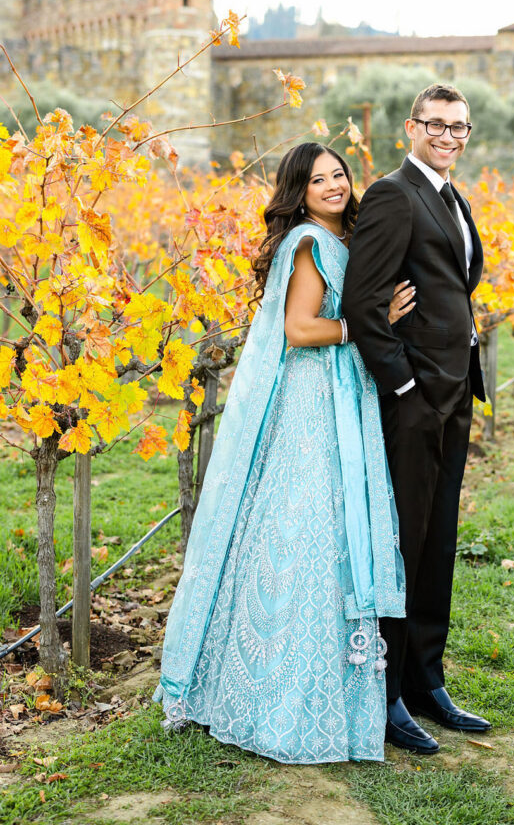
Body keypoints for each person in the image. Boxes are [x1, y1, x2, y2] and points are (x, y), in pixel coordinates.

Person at [154, 142, 409, 765]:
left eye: (339, 175)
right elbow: (300, 329)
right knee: (307, 530)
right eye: (317, 179)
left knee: (320, 536)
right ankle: (276, 693)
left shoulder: (336, 239)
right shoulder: (310, 243)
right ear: (298, 191)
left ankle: (311, 685)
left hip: (336, 390)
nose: (333, 186)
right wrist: (366, 326)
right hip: (312, 399)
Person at [342, 83, 491, 755]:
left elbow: (449, 285)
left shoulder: (452, 196)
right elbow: (364, 303)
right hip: (413, 401)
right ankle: (385, 693)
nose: (448, 136)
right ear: (410, 127)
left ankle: (427, 679)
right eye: (435, 124)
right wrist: (403, 386)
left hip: (455, 392)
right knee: (399, 541)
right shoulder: (391, 194)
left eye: (458, 127)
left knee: (437, 539)